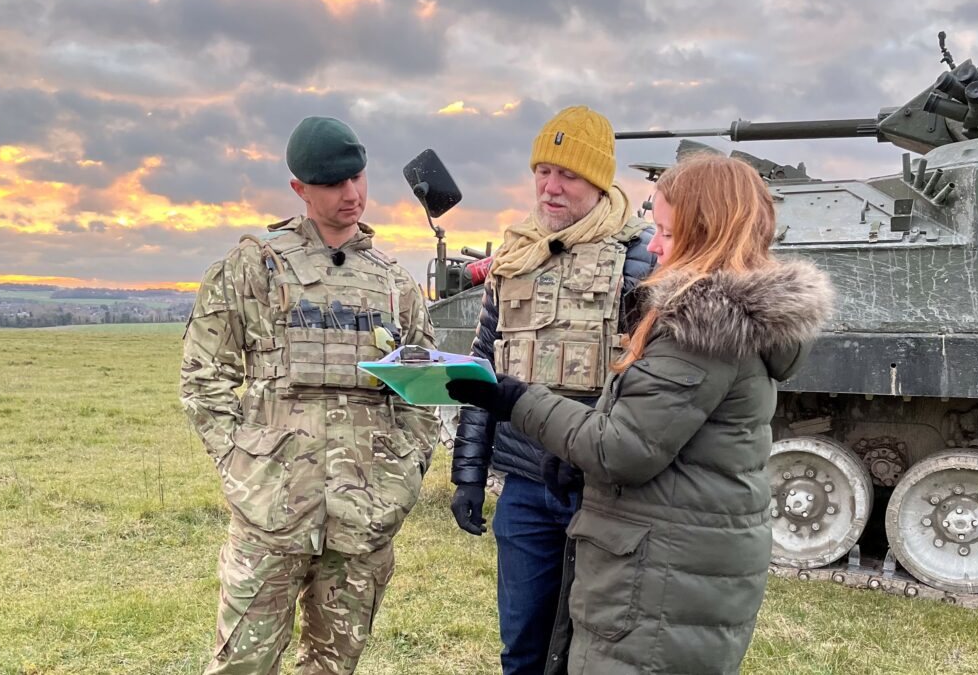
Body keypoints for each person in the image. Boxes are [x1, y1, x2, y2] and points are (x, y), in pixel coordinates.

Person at [447, 154, 834, 674]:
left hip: (659, 580)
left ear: (708, 236)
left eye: (668, 235)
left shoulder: (702, 330)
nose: (653, 247)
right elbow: (655, 425)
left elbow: (620, 450)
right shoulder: (728, 323)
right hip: (674, 562)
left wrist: (514, 398)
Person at [180, 116, 440, 675]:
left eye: (358, 178)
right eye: (332, 184)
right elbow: (204, 376)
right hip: (270, 512)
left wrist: (403, 473)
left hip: (363, 512)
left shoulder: (395, 284)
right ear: (300, 189)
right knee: (242, 665)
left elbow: (422, 390)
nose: (352, 194)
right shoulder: (251, 268)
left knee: (332, 667)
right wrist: (240, 461)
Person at [449, 105, 654, 674]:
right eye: (542, 170)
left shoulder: (638, 260)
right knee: (522, 647)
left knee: (586, 650)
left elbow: (646, 379)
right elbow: (481, 369)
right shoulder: (513, 258)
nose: (550, 186)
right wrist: (468, 473)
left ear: (599, 180)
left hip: (601, 489)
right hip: (522, 489)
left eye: (567, 173)